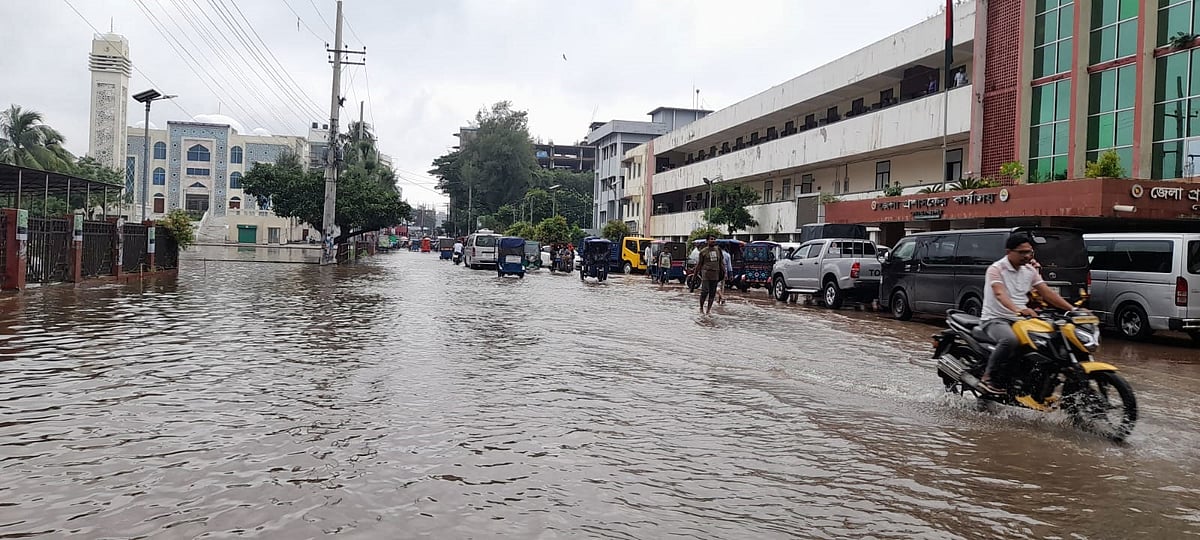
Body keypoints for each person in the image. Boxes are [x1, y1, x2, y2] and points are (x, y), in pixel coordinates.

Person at [977, 233, 1080, 394]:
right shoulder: (996, 269)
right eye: (1022, 252)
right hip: (995, 319)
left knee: (1049, 339)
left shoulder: (1030, 270)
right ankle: (988, 378)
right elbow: (999, 293)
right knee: (1010, 340)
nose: (1026, 256)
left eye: (1029, 252)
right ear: (1008, 251)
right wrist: (1017, 309)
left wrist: (1073, 310)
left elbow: (1047, 293)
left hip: (1023, 319)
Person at [697, 235, 725, 314]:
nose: (713, 240)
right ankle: (701, 307)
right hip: (706, 273)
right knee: (704, 291)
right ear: (707, 241)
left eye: (714, 239)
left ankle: (708, 310)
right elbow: (699, 264)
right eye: (711, 239)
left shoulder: (718, 250)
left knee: (712, 293)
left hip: (715, 274)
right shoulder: (703, 251)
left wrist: (724, 272)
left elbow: (721, 263)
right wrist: (695, 275)